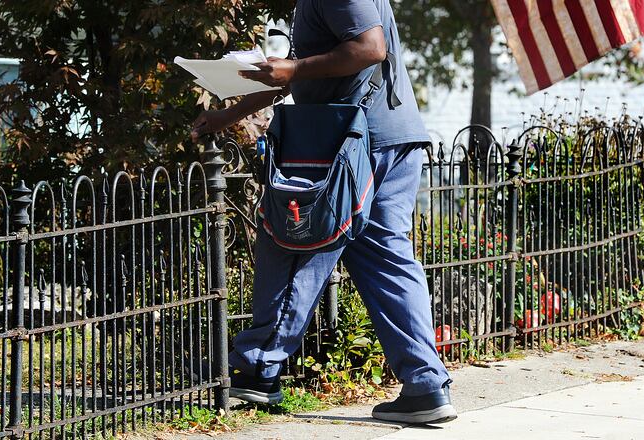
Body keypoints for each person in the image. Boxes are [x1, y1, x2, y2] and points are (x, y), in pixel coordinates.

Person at [191, 0, 457, 425]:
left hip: (355, 143)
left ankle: (258, 367)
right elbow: (314, 71)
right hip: (385, 137)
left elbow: (370, 48)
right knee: (386, 259)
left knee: (301, 241)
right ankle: (425, 385)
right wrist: (231, 113)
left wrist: (292, 70)